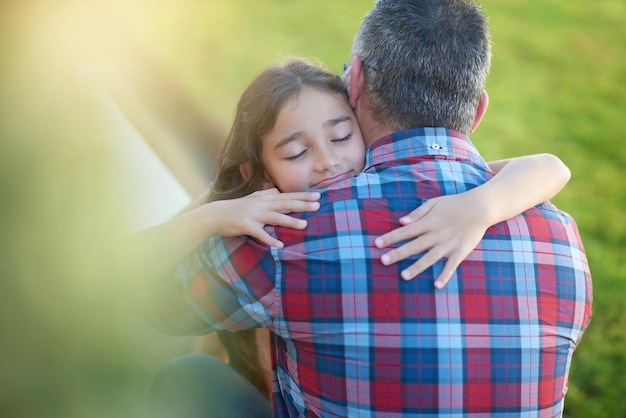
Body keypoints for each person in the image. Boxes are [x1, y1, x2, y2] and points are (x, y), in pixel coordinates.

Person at [143, 2, 592, 413]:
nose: (326, 161)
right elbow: (549, 167)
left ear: (353, 82)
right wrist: (483, 202)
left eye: (339, 136)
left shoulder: (289, 232)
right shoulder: (564, 243)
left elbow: (159, 308)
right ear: (477, 112)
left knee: (190, 376)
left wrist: (218, 205)